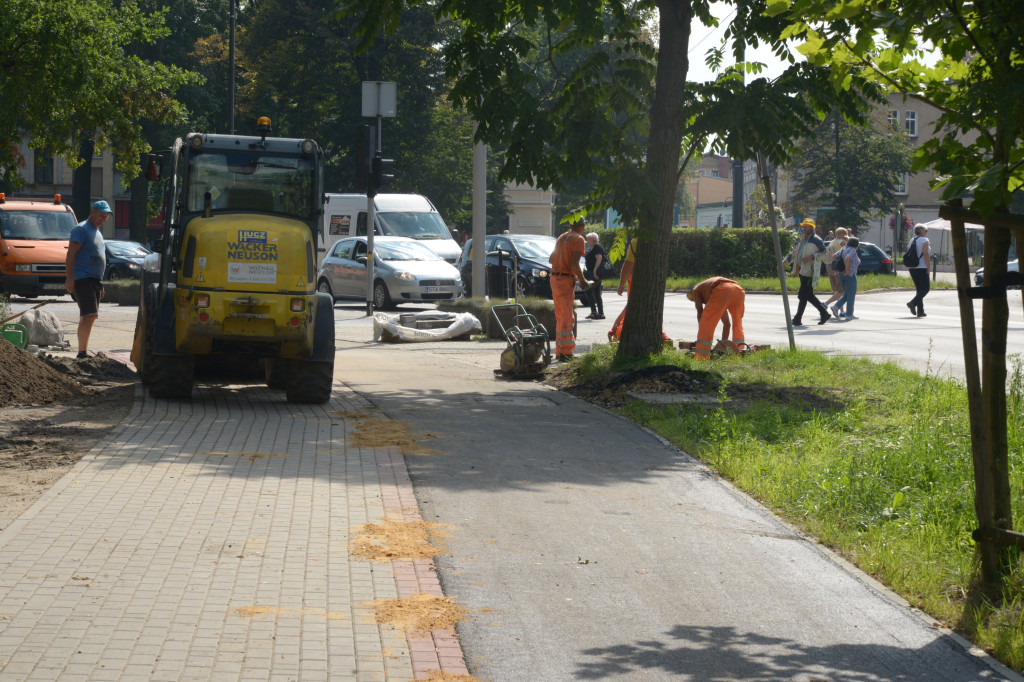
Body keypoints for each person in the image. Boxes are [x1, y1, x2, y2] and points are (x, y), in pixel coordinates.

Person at [64, 200, 110, 359]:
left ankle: (83, 351)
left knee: (91, 315)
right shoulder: (81, 230)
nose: (104, 218)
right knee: (89, 314)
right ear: (93, 211)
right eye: (101, 215)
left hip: (94, 280)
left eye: (106, 216)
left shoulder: (97, 232)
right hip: (83, 278)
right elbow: (70, 254)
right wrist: (70, 277)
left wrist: (101, 283)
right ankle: (82, 353)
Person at [548, 219, 590, 361]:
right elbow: (574, 264)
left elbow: (551, 259)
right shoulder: (578, 239)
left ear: (571, 225)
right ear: (582, 226)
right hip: (565, 280)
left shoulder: (561, 237)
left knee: (560, 316)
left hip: (554, 277)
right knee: (567, 316)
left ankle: (560, 351)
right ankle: (566, 353)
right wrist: (583, 281)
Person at [785, 218, 831, 325]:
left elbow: (825, 253)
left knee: (803, 295)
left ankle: (798, 319)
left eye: (806, 227)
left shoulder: (816, 239)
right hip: (802, 270)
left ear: (811, 227)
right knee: (807, 295)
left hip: (810, 271)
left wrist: (811, 257)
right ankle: (823, 313)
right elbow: (794, 253)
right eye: (803, 227)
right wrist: (784, 261)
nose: (804, 228)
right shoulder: (803, 239)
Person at [687, 277, 745, 359]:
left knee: (706, 324)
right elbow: (727, 324)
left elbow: (700, 312)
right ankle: (740, 352)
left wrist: (701, 330)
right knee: (737, 324)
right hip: (738, 289)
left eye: (693, 300)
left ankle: (701, 357)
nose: (695, 301)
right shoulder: (710, 292)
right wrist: (722, 347)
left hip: (722, 289)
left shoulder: (695, 291)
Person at [832, 237, 862, 320]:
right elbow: (847, 258)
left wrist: (836, 269)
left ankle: (836, 307)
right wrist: (848, 270)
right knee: (851, 294)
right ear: (856, 244)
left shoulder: (843, 248)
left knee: (847, 293)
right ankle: (849, 314)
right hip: (850, 274)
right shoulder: (852, 250)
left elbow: (834, 256)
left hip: (841, 273)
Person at [906, 224, 931, 318]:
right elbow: (925, 253)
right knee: (925, 289)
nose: (926, 232)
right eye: (926, 230)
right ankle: (912, 303)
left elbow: (908, 252)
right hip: (922, 267)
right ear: (922, 231)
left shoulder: (912, 240)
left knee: (919, 289)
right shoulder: (925, 240)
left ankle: (920, 311)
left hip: (912, 268)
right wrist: (928, 266)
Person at [823, 227, 849, 313]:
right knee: (842, 290)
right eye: (845, 234)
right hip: (838, 268)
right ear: (842, 235)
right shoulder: (841, 242)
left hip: (830, 266)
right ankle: (825, 304)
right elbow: (850, 247)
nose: (846, 236)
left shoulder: (832, 241)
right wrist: (848, 239)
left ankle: (841, 311)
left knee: (838, 290)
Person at [583, 232, 607, 320]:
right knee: (597, 293)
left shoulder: (597, 247)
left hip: (593, 274)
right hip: (594, 273)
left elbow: (599, 258)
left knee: (589, 290)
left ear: (592, 240)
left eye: (588, 239)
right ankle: (600, 313)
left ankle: (594, 312)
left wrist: (595, 271)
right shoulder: (596, 247)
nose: (587, 241)